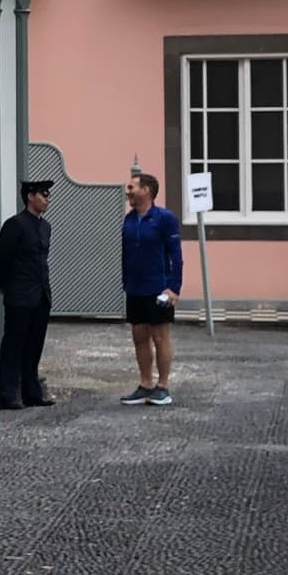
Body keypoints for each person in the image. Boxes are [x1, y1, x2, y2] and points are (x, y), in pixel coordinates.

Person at [121, 168, 182, 407]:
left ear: (146, 190)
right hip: (135, 288)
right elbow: (125, 253)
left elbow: (176, 255)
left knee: (160, 336)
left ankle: (163, 386)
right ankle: (145, 383)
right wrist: (126, 281)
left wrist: (173, 287)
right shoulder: (128, 219)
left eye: (131, 187)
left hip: (159, 288)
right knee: (139, 336)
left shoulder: (165, 218)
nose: (128, 191)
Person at [0, 179, 53, 409]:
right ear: (30, 196)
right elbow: (2, 260)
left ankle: (32, 393)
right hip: (19, 294)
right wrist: (5, 286)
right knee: (14, 345)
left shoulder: (45, 226)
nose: (47, 199)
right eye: (43, 194)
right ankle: (8, 394)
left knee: (34, 345)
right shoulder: (15, 225)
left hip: (41, 295)